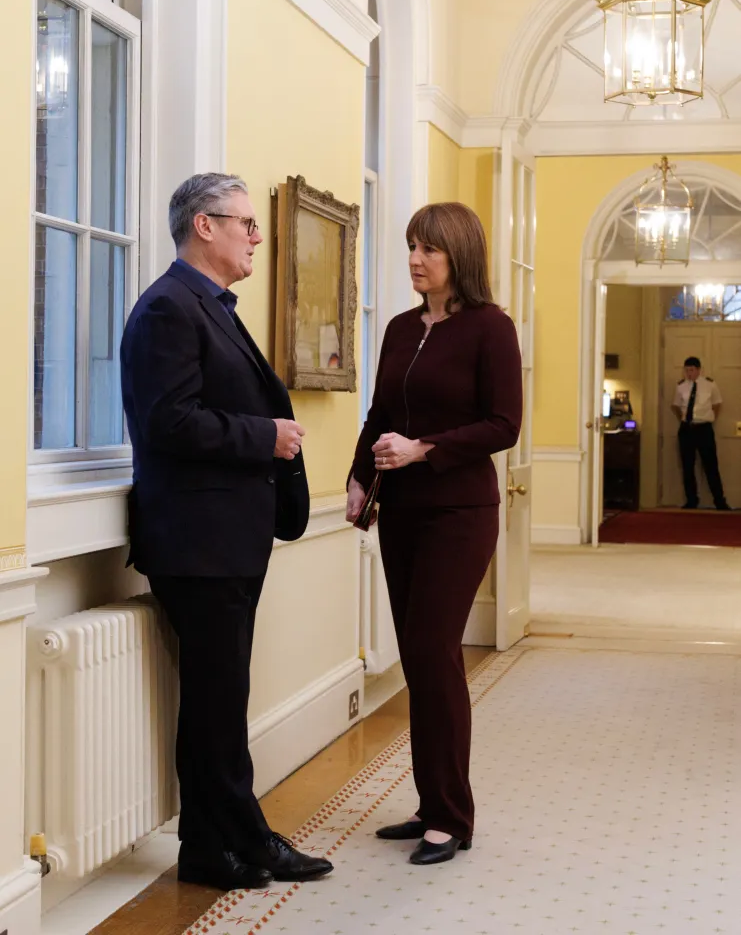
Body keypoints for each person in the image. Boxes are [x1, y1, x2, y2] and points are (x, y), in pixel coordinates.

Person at [120, 173, 333, 892]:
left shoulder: (206, 305)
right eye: (245, 222)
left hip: (223, 538)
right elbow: (168, 422)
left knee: (218, 702)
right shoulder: (168, 308)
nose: (256, 236)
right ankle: (247, 837)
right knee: (217, 705)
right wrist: (264, 436)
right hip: (198, 543)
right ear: (203, 226)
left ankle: (208, 852)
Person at [346, 202, 522, 866]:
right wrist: (359, 477)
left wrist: (422, 449)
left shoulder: (490, 327)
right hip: (403, 511)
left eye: (429, 249)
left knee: (433, 650)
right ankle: (430, 803)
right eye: (412, 247)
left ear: (460, 256)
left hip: (460, 513)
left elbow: (504, 425)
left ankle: (452, 816)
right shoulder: (399, 328)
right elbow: (379, 414)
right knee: (419, 659)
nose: (415, 259)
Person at [671, 356, 730, 511]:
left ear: (698, 370)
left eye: (691, 370)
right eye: (686, 370)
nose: (688, 373)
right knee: (687, 466)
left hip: (704, 429)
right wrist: (685, 419)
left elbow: (717, 404)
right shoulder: (681, 386)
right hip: (687, 429)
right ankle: (691, 500)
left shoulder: (710, 384)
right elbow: (676, 406)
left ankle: (720, 501)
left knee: (711, 466)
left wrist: (710, 418)